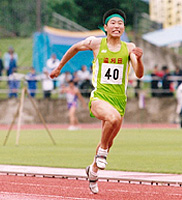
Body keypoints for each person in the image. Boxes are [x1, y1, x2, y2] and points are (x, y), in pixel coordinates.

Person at [50, 8, 144, 194]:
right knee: (113, 120)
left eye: (120, 24)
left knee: (109, 141)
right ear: (105, 27)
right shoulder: (96, 44)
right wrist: (59, 67)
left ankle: (92, 171)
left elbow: (139, 74)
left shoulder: (129, 47)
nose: (117, 26)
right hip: (99, 97)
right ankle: (101, 153)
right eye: (113, 23)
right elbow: (75, 48)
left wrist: (139, 60)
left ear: (123, 28)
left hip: (119, 100)